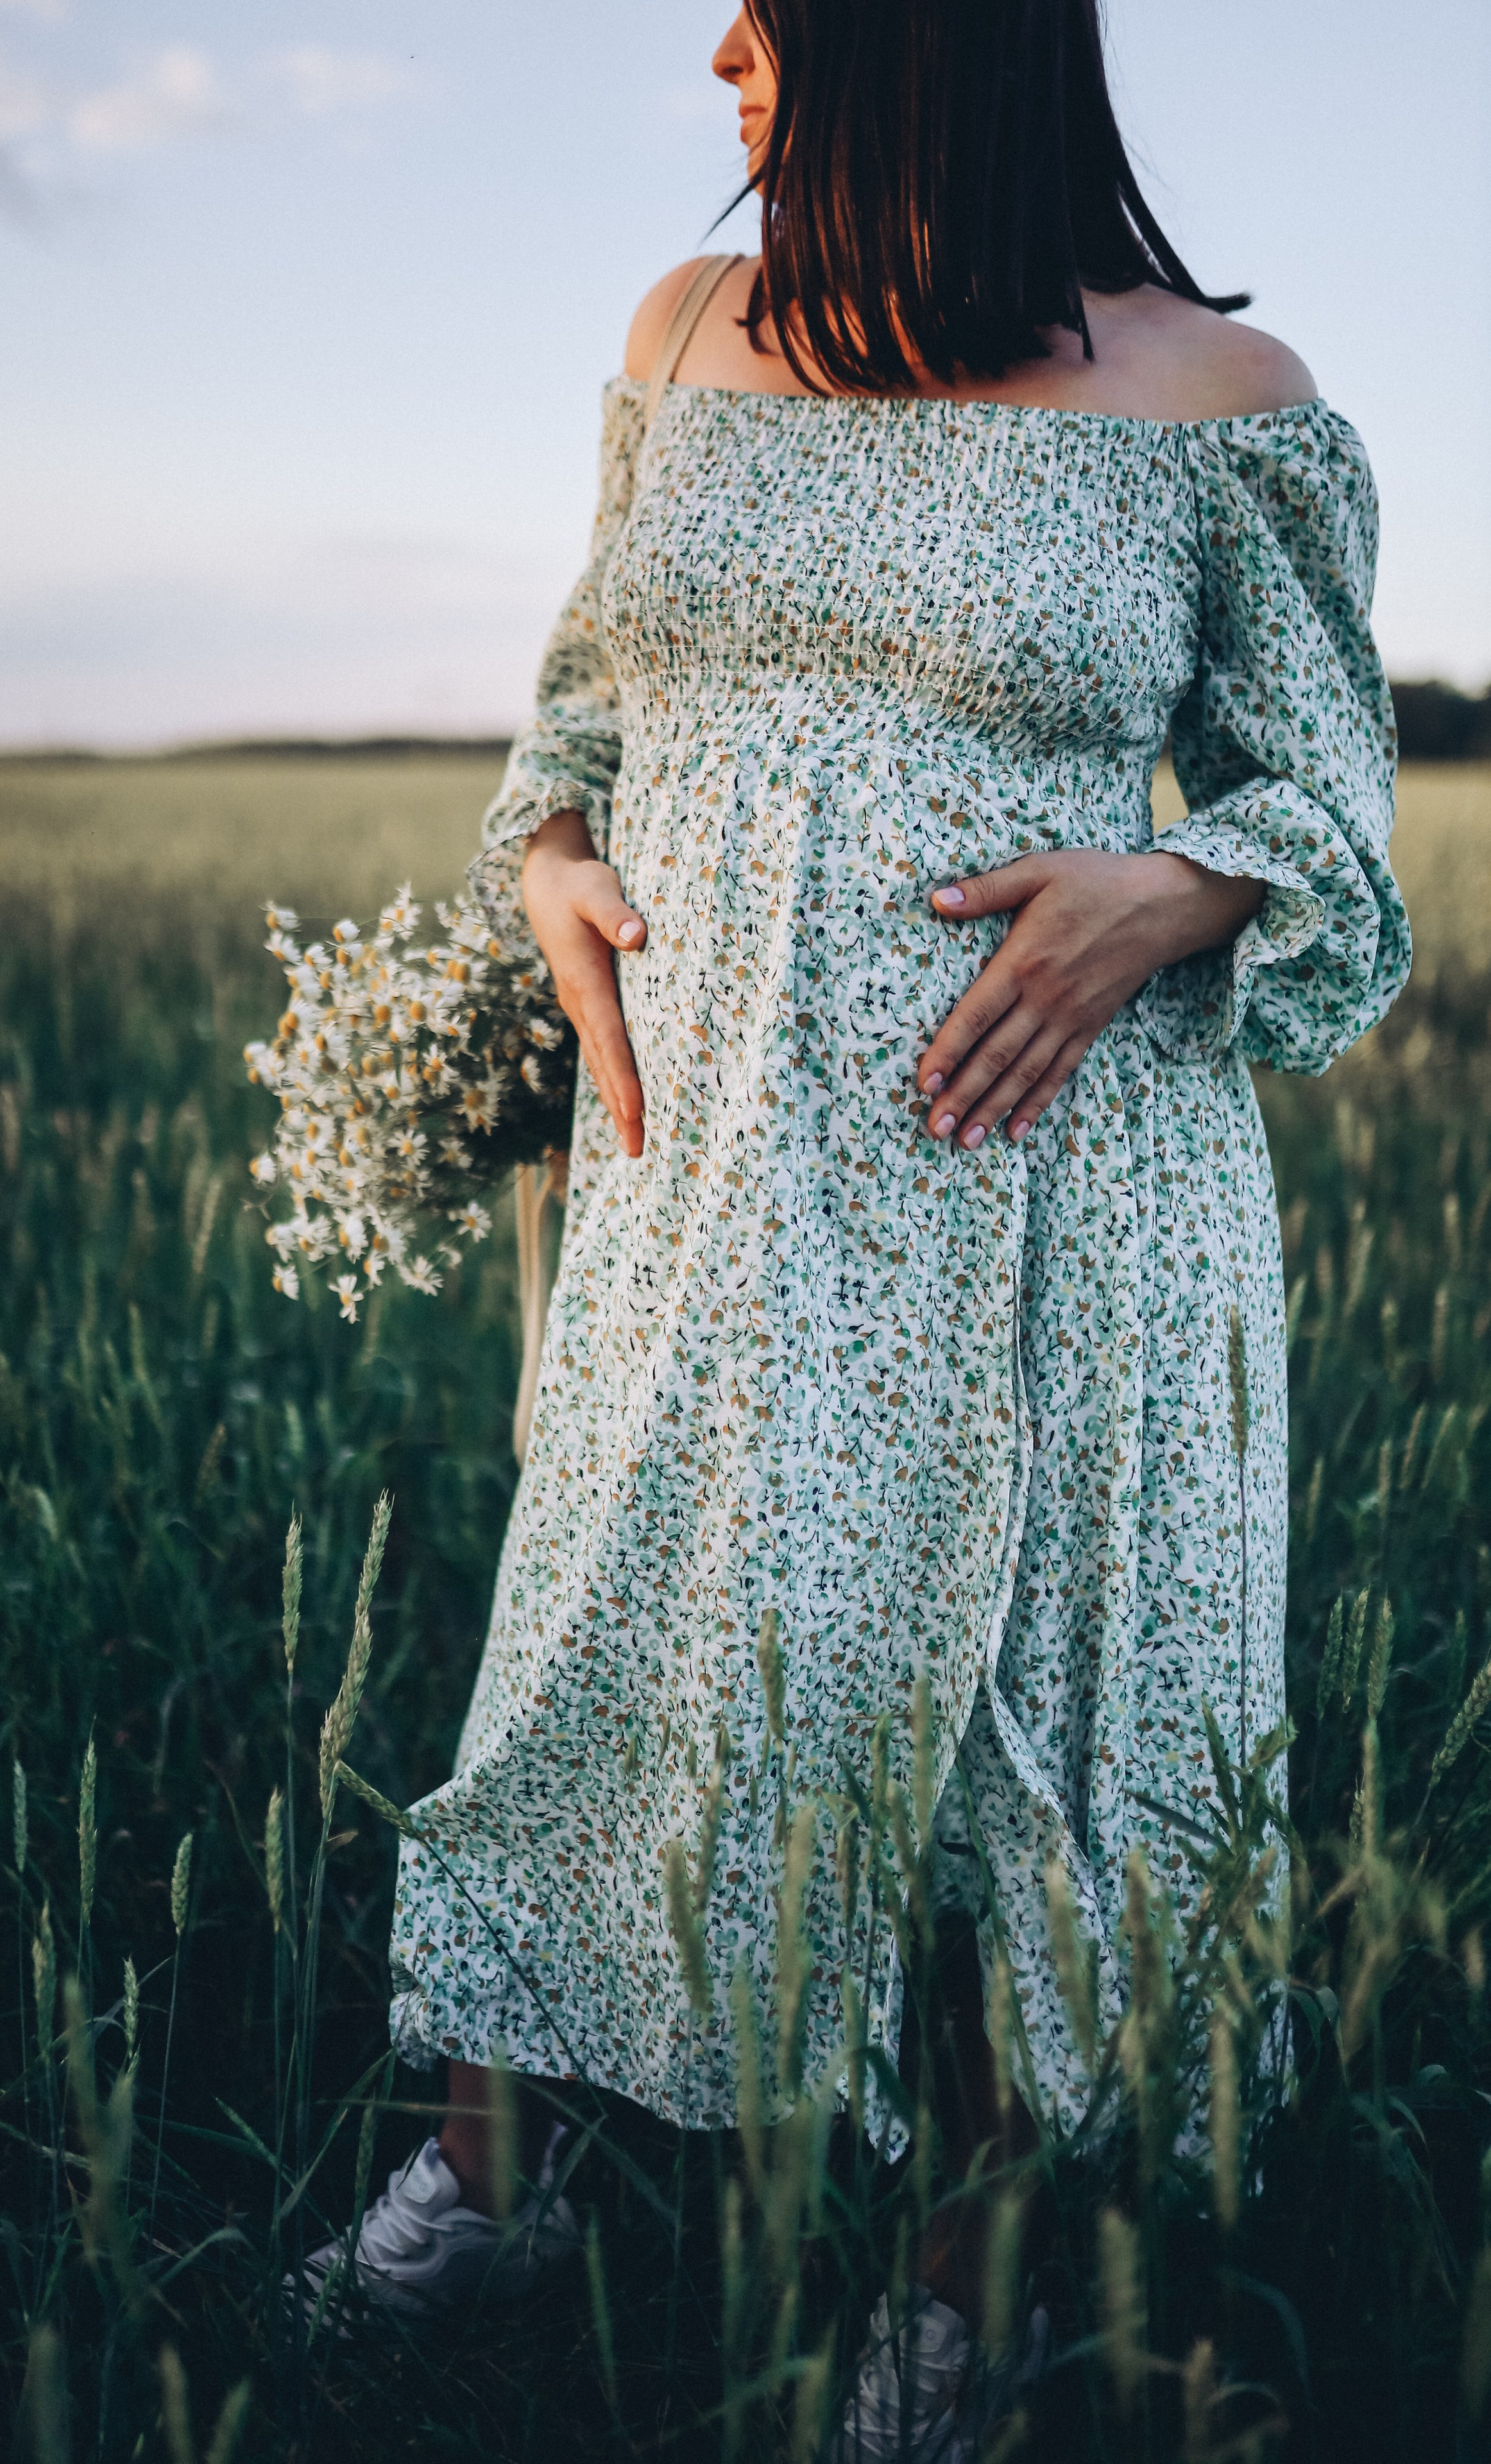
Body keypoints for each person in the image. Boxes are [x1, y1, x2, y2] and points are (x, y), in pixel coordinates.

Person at [303, 0, 1408, 2445]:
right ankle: (497, 2190)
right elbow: (576, 710)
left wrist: (1172, 883)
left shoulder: (1224, 397)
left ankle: (965, 2285)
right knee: (620, 1645)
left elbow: (1331, 802)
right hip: (707, 1190)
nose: (719, 41)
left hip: (1050, 1193)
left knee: (1041, 1730)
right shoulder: (682, 334)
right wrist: (557, 866)